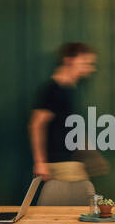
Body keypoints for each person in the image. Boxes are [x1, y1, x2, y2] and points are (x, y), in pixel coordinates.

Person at [30, 42, 96, 181]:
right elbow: (36, 125)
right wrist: (40, 162)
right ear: (68, 60)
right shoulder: (53, 89)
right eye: (85, 62)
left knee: (82, 198)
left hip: (68, 162)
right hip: (60, 164)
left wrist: (92, 155)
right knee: (83, 198)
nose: (90, 68)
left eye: (90, 64)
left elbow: (69, 127)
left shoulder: (68, 90)